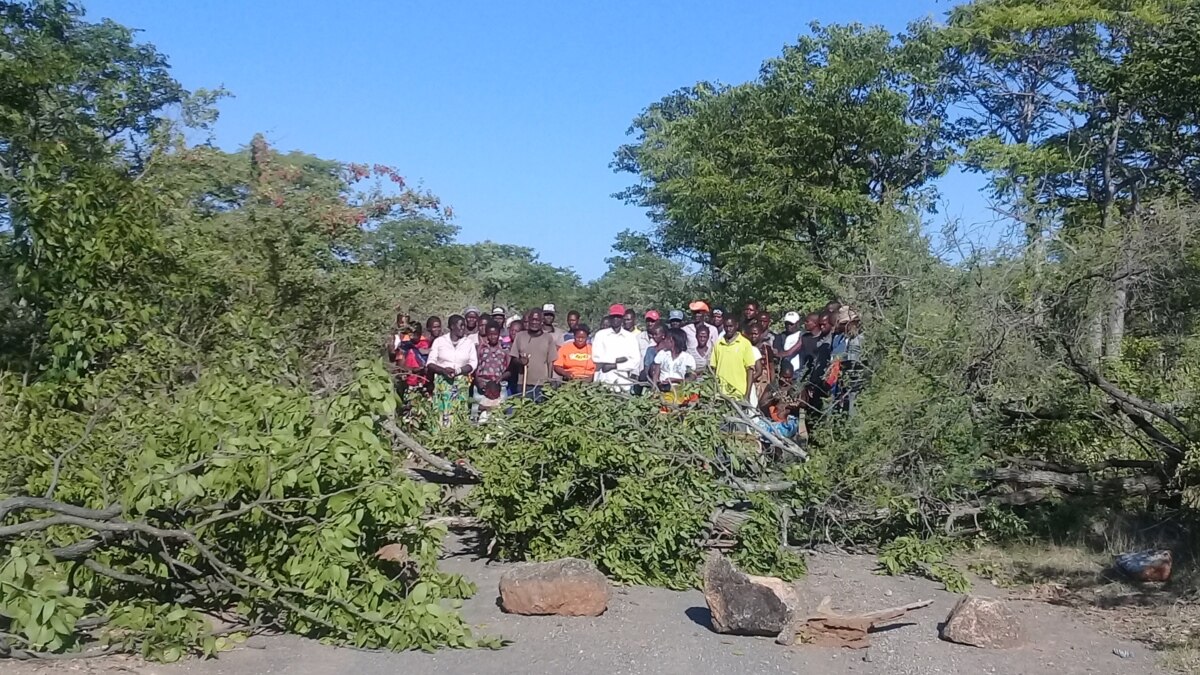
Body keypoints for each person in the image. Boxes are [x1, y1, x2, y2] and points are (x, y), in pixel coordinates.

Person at [427, 315, 477, 427]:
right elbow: (430, 363)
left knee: (459, 413)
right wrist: (443, 370)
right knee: (442, 413)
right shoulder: (439, 341)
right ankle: (440, 439)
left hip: (461, 385)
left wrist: (458, 370)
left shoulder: (468, 343)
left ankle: (458, 438)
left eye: (464, 325)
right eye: (461, 325)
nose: (463, 328)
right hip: (443, 384)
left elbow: (473, 363)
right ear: (452, 326)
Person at [592, 304, 642, 391]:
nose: (616, 319)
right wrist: (617, 360)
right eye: (613, 317)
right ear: (610, 318)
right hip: (603, 380)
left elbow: (635, 362)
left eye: (618, 317)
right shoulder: (601, 335)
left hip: (623, 382)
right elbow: (596, 357)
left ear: (622, 318)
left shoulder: (630, 337)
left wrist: (614, 366)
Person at [511, 309, 558, 402]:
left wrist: (549, 380)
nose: (534, 322)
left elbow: (551, 362)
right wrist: (520, 361)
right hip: (523, 383)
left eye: (537, 320)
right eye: (532, 319)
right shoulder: (520, 336)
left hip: (541, 384)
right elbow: (513, 358)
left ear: (541, 322)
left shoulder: (548, 338)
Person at [711, 316, 758, 400]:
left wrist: (747, 394)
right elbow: (713, 369)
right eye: (726, 326)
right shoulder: (718, 344)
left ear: (736, 325)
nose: (728, 329)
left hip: (739, 393)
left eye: (731, 326)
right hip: (721, 394)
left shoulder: (745, 344)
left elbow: (750, 370)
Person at [473, 321, 510, 417]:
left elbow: (509, 368)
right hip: (482, 384)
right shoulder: (481, 347)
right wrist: (477, 381)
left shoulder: (504, 349)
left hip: (498, 384)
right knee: (480, 412)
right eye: (490, 334)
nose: (493, 337)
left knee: (498, 413)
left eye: (495, 334)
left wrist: (502, 378)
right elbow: (475, 365)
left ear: (499, 334)